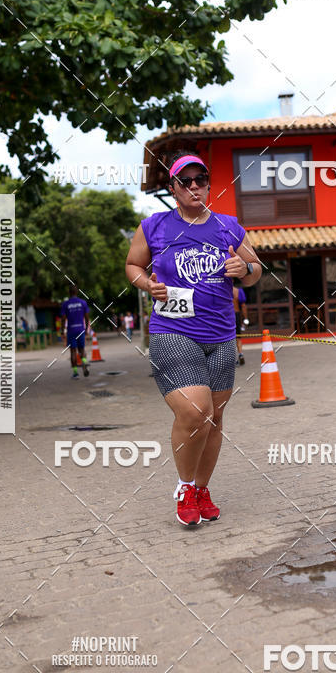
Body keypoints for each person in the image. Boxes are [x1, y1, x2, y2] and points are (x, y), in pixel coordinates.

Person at [125, 150, 261, 527]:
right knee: (195, 410)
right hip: (172, 331)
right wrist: (147, 284)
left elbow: (255, 270)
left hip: (220, 335)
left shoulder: (228, 227)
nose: (195, 187)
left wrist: (245, 267)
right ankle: (185, 486)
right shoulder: (153, 227)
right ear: (173, 188)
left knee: (215, 418)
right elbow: (133, 265)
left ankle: (202, 488)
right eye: (186, 181)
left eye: (201, 180)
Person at [60, 285, 90, 379]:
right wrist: (86, 329)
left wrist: (62, 331)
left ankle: (75, 373)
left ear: (69, 293)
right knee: (82, 349)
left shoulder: (66, 304)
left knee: (73, 351)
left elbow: (63, 319)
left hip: (71, 330)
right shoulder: (83, 303)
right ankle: (84, 361)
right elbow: (87, 317)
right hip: (80, 329)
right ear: (77, 292)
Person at [233, 284, 250, 365]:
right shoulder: (237, 291)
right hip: (236, 315)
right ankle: (240, 354)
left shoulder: (221, 290)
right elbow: (243, 306)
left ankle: (232, 358)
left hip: (225, 315)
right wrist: (245, 318)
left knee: (228, 338)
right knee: (238, 337)